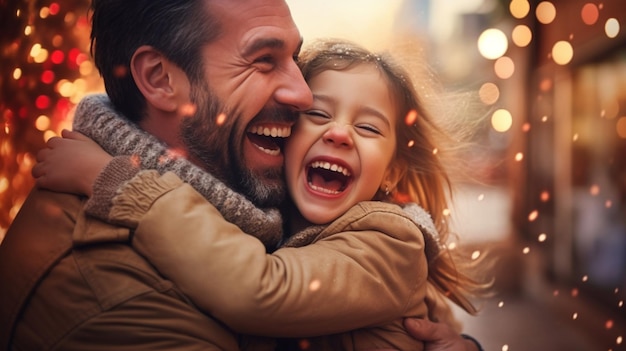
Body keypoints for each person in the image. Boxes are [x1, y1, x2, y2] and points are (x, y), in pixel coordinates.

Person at [0, 0, 483, 350]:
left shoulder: (256, 205)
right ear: (159, 78)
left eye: (293, 58)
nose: (300, 94)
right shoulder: (114, 297)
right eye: (263, 60)